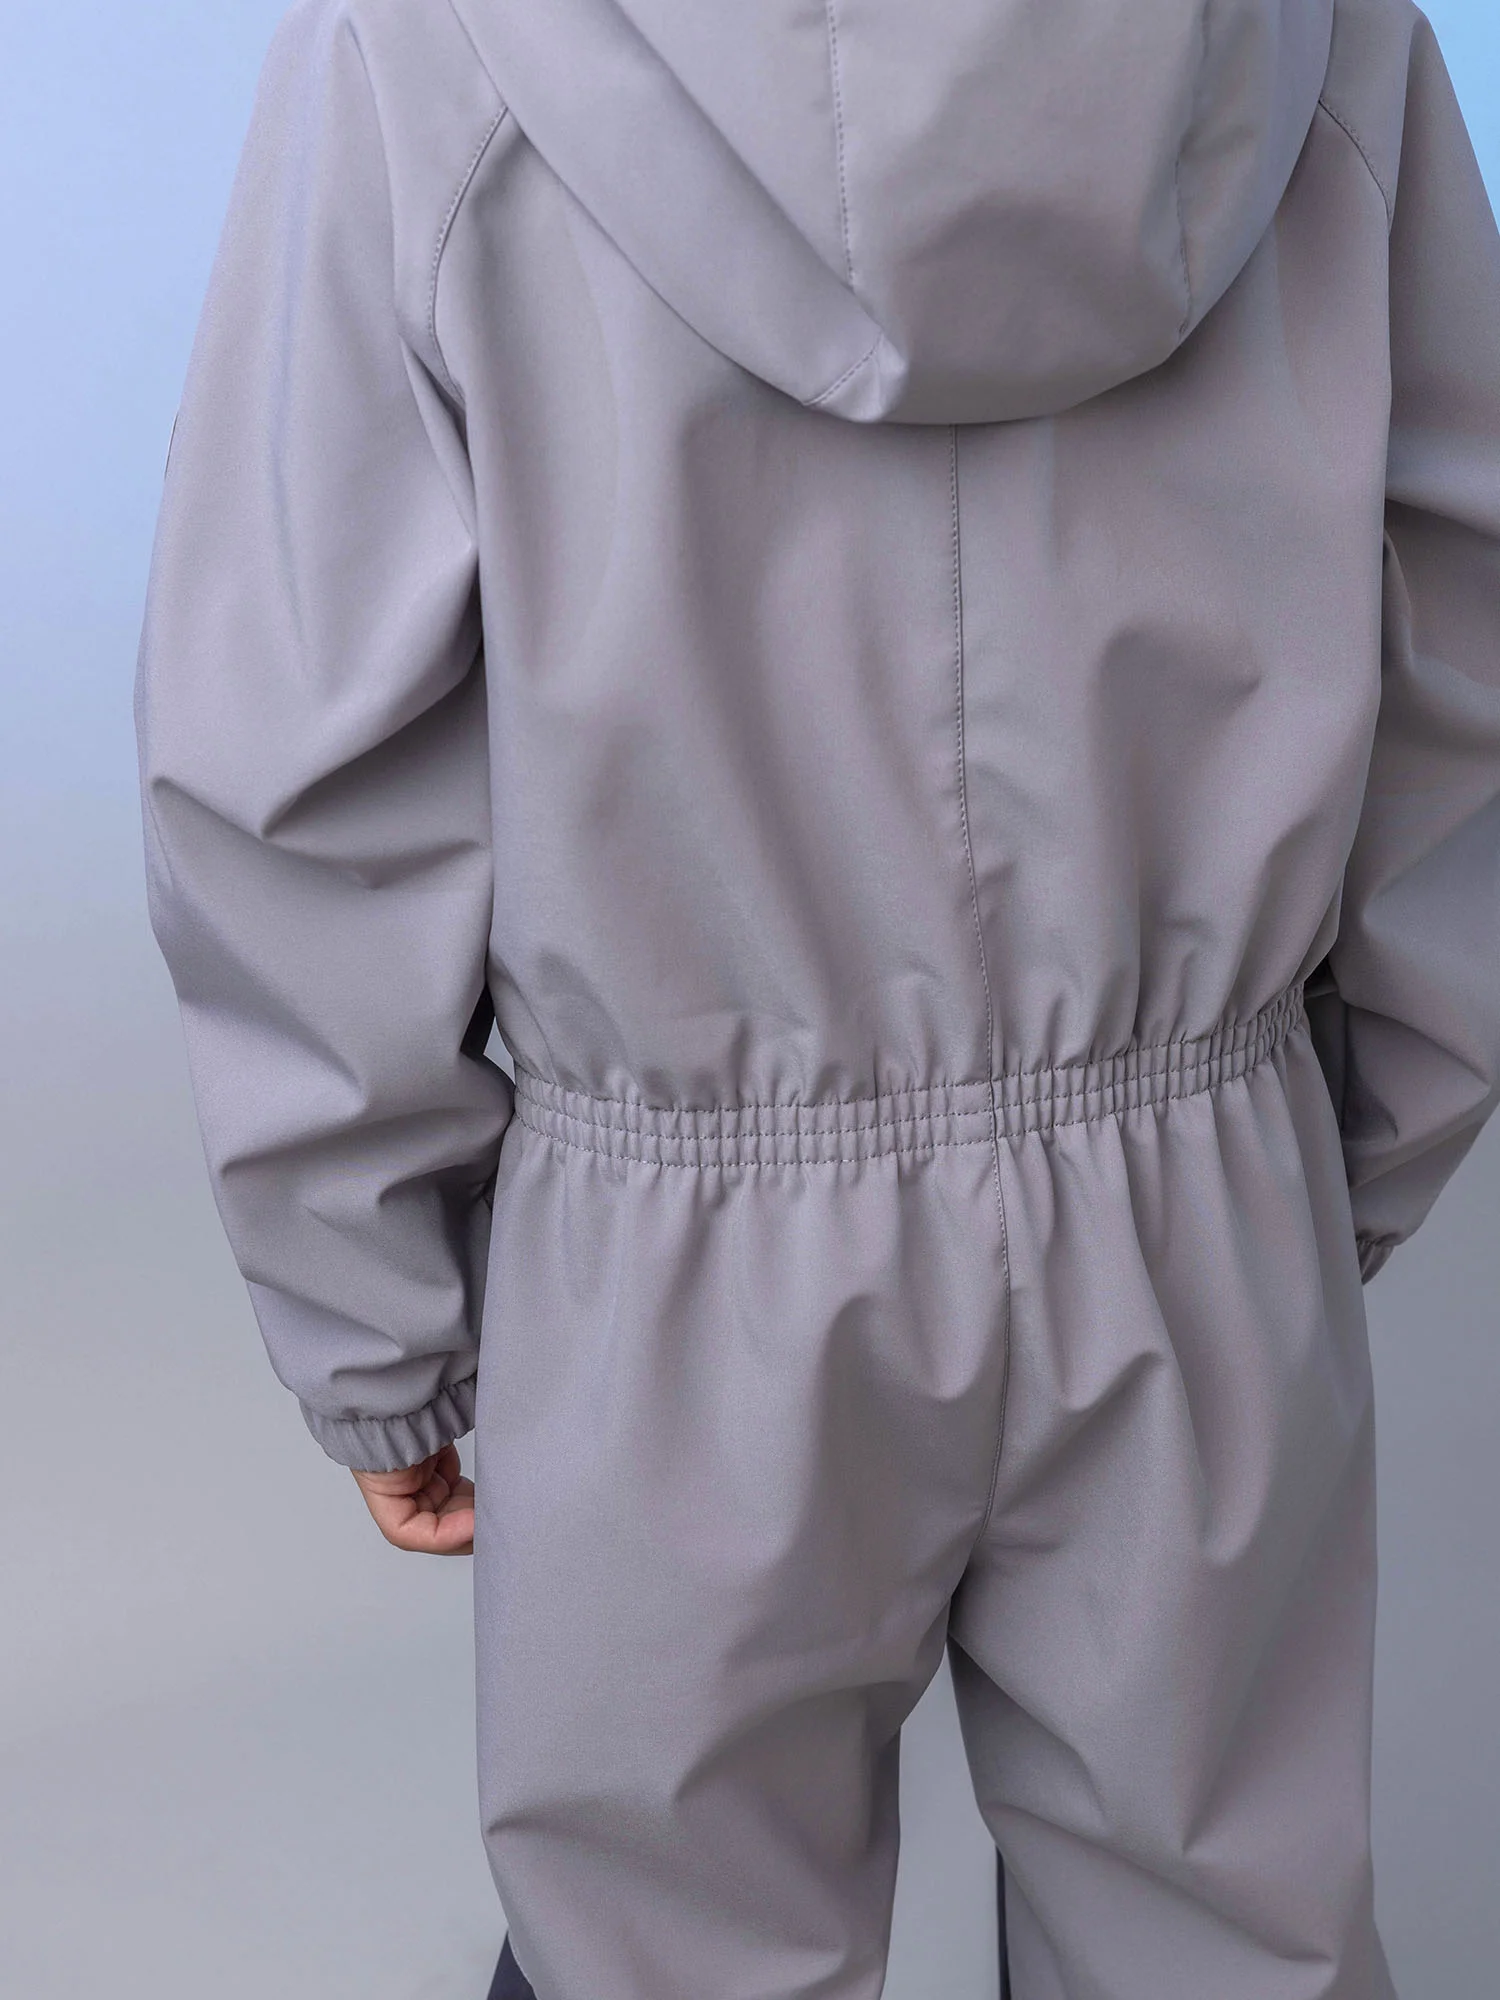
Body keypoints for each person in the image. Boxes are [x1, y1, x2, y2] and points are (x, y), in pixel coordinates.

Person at [133, 0, 1500, 1993]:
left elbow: (288, 742)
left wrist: (375, 1312)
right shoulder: (1326, 27)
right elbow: (1465, 620)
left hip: (674, 1266)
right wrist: (1347, 1144)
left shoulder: (428, 41)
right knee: (1224, 1956)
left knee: (665, 1959)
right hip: (1199, 1198)